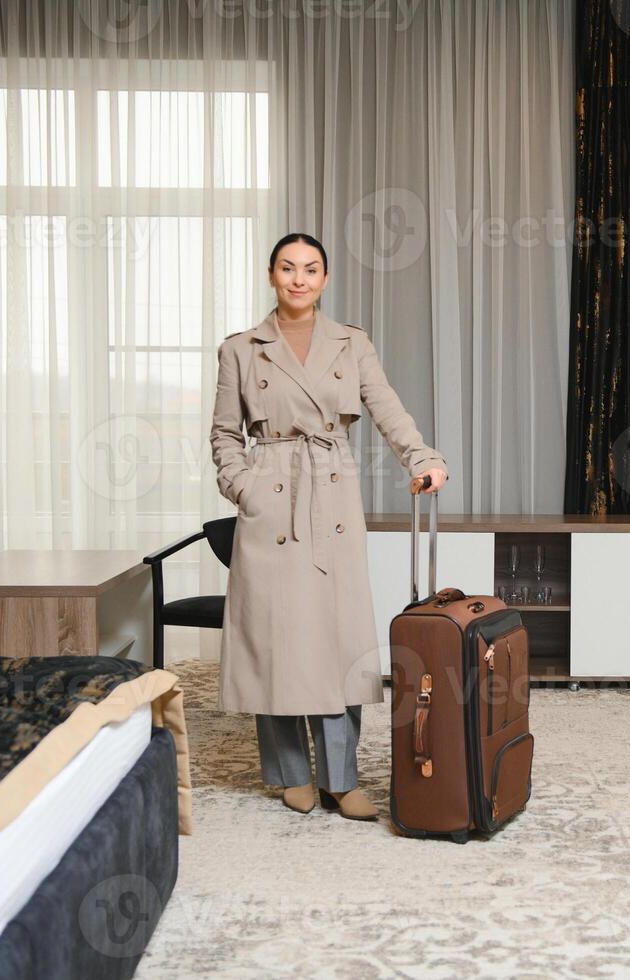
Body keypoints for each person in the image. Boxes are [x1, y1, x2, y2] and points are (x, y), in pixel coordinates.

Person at [209, 232, 448, 821]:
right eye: (287, 268)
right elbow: (222, 434)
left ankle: (343, 779)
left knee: (340, 640)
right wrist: (246, 488)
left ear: (324, 278)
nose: (298, 279)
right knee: (277, 639)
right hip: (273, 495)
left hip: (334, 493)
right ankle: (291, 773)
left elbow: (386, 406)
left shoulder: (351, 342)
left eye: (310, 269)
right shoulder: (241, 348)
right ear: (271, 275)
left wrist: (420, 457)